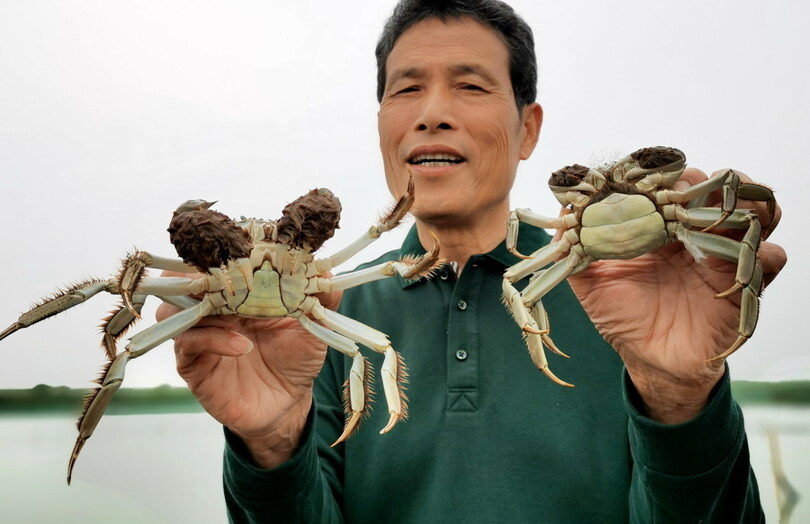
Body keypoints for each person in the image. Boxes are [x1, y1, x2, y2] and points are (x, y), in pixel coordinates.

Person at [156, 1, 787, 522]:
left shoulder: (626, 297)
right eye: (406, 89)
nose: (432, 113)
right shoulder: (323, 317)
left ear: (528, 130)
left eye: (470, 85)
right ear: (382, 124)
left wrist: (679, 394)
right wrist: (269, 445)